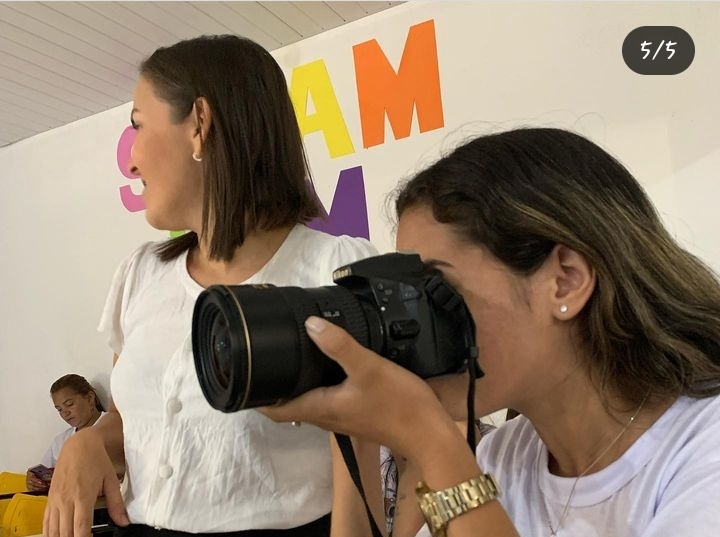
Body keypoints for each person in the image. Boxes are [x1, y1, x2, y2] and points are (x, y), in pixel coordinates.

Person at [263, 127, 720, 537]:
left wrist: (430, 440)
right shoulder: (504, 458)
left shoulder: (702, 446)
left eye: (436, 290)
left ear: (565, 281)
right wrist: (356, 438)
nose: (417, 323)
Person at [43, 35, 377, 537]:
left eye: (138, 125)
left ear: (199, 123)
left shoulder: (338, 271)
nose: (131, 161)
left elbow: (360, 461)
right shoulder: (142, 273)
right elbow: (135, 420)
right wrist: (89, 441)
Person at [26, 374, 106, 492]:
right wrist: (34, 481)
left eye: (69, 404)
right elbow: (45, 470)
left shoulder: (114, 427)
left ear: (90, 398)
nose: (65, 413)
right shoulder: (61, 441)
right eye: (59, 409)